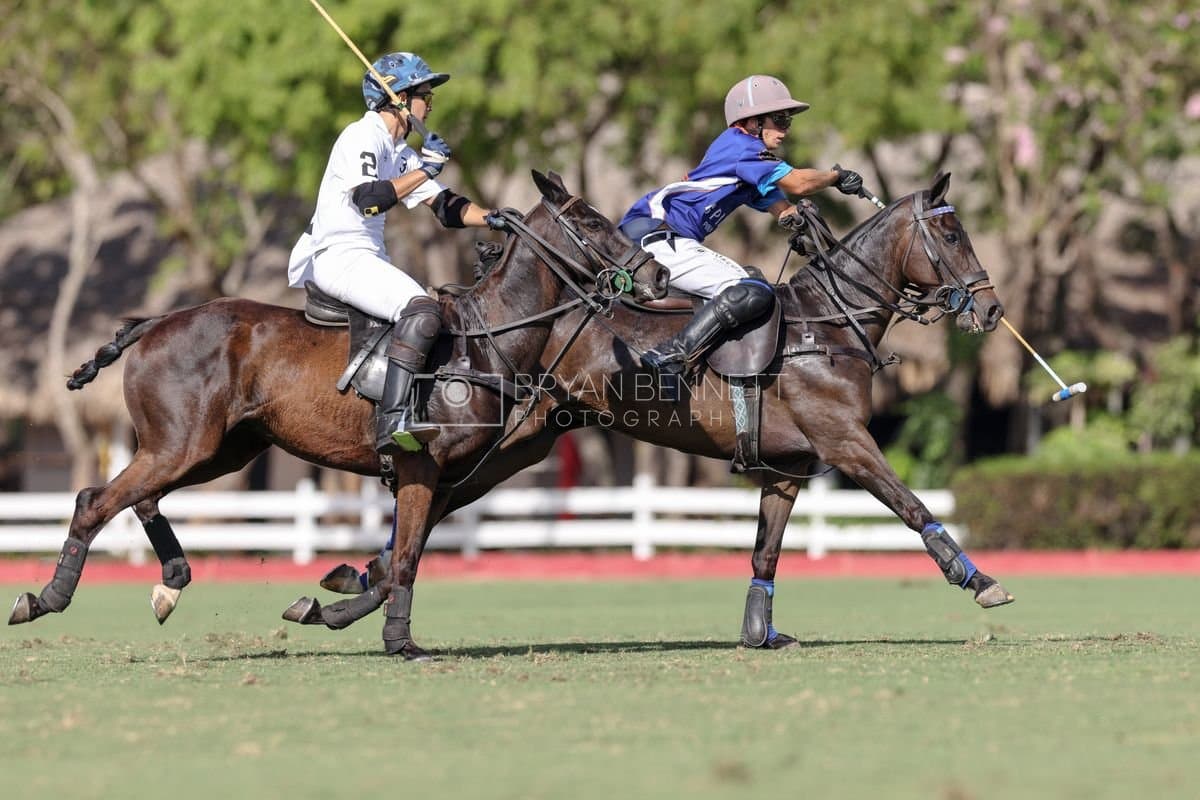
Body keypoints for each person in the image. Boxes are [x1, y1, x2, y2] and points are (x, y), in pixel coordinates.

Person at [288, 51, 510, 455]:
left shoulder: (399, 150)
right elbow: (369, 199)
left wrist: (496, 218)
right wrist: (426, 169)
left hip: (368, 257)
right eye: (425, 95)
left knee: (437, 311)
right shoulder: (361, 136)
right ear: (400, 98)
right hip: (338, 256)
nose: (431, 104)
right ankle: (393, 422)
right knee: (422, 310)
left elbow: (446, 208)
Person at [619, 74, 865, 400]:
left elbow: (782, 206)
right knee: (752, 290)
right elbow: (798, 183)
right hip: (657, 238)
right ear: (750, 121)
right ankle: (671, 355)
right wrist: (835, 177)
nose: (785, 127)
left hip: (658, 237)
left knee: (751, 280)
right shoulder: (743, 148)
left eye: (787, 120)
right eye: (778, 119)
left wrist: (799, 223)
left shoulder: (747, 167)